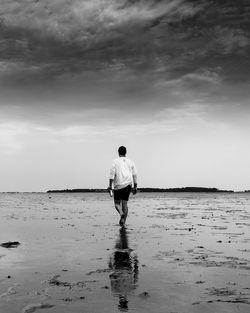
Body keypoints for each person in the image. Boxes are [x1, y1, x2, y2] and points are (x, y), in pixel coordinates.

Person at [108, 146, 137, 226]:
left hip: (118, 185)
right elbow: (135, 175)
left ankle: (121, 214)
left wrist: (110, 186)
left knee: (117, 204)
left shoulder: (115, 161)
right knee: (125, 204)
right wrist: (135, 186)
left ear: (118, 152)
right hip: (128, 185)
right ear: (126, 152)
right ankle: (123, 223)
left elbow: (112, 175)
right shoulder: (131, 162)